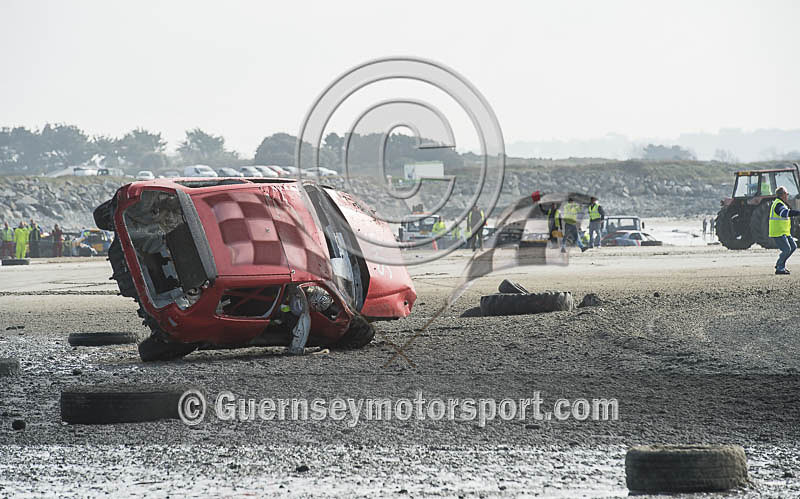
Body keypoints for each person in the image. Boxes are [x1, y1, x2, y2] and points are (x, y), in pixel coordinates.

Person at [769, 186, 800, 275]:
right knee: (786, 249)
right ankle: (780, 267)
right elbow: (784, 213)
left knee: (793, 246)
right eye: (787, 194)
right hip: (778, 232)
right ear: (782, 195)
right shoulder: (778, 204)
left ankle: (780, 264)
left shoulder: (781, 203)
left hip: (784, 232)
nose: (787, 196)